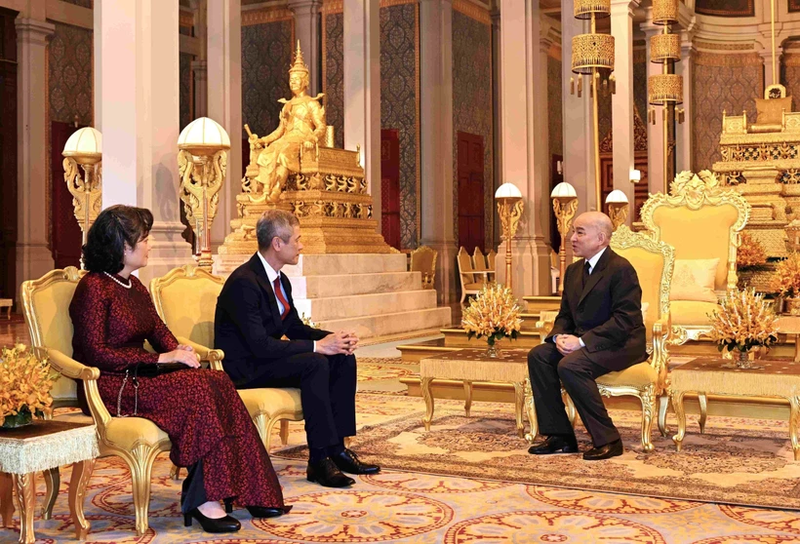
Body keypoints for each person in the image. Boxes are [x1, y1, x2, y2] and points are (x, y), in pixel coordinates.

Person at [69, 205, 290, 534]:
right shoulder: (94, 288)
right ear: (121, 246)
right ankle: (203, 500)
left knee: (216, 380)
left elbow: (159, 332)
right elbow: (95, 353)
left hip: (141, 377)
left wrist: (178, 350)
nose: (150, 245)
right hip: (111, 386)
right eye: (144, 239)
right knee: (198, 389)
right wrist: (160, 360)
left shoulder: (135, 287)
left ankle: (249, 488)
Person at [214, 209, 380, 488]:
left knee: (341, 357)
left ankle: (336, 449)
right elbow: (259, 345)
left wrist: (334, 338)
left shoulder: (281, 280)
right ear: (277, 243)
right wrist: (318, 346)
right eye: (298, 239)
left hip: (266, 358)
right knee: (315, 362)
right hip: (244, 367)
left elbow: (293, 328)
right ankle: (318, 460)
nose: (302, 246)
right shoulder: (245, 282)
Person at [527, 211, 647, 461]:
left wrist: (581, 342)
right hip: (585, 340)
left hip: (621, 343)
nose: (572, 238)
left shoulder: (621, 269)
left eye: (580, 232)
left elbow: (626, 320)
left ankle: (609, 439)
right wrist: (558, 336)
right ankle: (560, 437)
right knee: (539, 355)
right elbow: (565, 315)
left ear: (601, 238)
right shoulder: (572, 271)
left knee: (571, 366)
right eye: (573, 231)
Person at [249, 41, 326, 202]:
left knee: (283, 155)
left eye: (297, 79)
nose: (293, 82)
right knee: (265, 154)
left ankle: (276, 190)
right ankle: (265, 190)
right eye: (291, 79)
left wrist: (311, 138)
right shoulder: (287, 105)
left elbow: (321, 127)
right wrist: (261, 140)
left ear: (305, 81)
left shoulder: (312, 103)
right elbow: (279, 131)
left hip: (301, 140)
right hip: (286, 138)